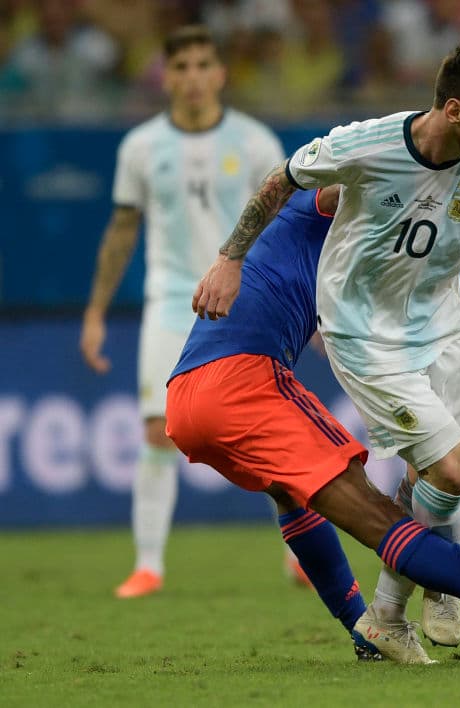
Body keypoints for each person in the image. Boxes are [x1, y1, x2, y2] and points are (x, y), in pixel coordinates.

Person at [191, 42, 460, 662]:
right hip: (362, 338)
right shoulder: (364, 150)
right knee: (452, 468)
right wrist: (230, 258)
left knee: (443, 484)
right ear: (456, 109)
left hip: (437, 324)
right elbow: (292, 183)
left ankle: (417, 596)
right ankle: (422, 609)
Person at [167, 184, 460, 664]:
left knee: (289, 493)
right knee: (381, 518)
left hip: (188, 393)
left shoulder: (346, 263)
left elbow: (408, 315)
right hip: (244, 380)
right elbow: (366, 182)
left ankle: (366, 633)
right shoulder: (315, 208)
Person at [79, 25, 287, 599]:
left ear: (220, 73)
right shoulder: (141, 147)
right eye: (181, 67)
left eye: (203, 65)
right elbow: (122, 231)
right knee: (156, 430)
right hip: (171, 301)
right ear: (166, 77)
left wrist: (303, 301)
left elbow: (284, 228)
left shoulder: (255, 143)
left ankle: (299, 548)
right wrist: (96, 312)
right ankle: (148, 565)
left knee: (268, 428)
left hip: (247, 300)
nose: (193, 78)